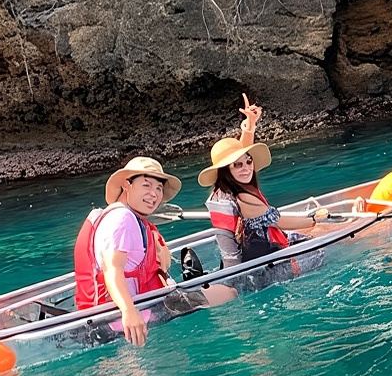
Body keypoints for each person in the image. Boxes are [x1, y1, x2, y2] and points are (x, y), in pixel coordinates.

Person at [199, 95, 334, 269]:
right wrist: (314, 219)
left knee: (318, 232)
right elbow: (278, 222)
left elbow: (241, 156)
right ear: (226, 171)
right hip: (270, 263)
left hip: (262, 250)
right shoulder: (244, 199)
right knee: (324, 239)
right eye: (237, 166)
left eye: (249, 162)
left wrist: (249, 127)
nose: (246, 168)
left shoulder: (225, 190)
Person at [72, 156, 179, 346]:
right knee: (225, 293)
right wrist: (129, 312)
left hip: (113, 318)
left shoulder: (125, 216)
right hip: (117, 323)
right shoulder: (123, 219)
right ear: (127, 185)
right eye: (146, 185)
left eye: (158, 188)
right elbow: (112, 269)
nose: (154, 194)